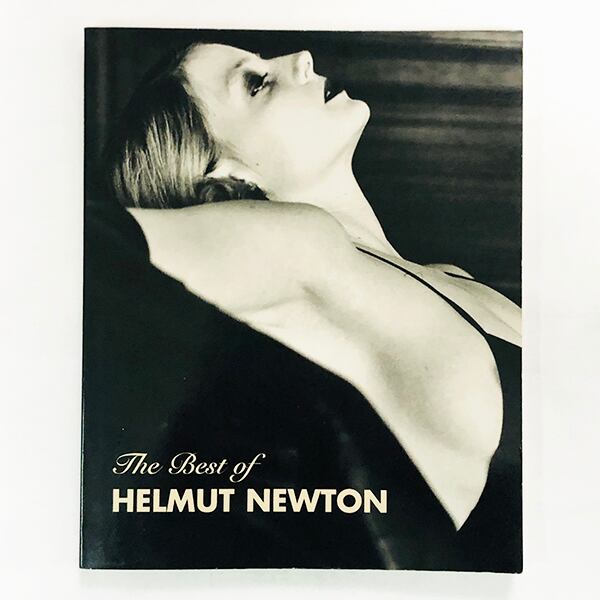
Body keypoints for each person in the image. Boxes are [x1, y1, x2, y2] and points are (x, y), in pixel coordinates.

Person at [90, 40, 522, 570]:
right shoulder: (302, 247)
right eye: (255, 83)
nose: (301, 58)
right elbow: (80, 248)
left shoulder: (449, 276)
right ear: (228, 181)